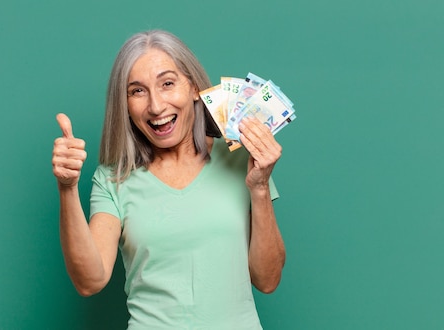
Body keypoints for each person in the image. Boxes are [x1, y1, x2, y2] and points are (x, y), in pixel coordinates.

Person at [52, 29, 285, 329]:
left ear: (193, 87)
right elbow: (90, 281)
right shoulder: (113, 179)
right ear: (124, 104)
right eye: (137, 91)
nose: (156, 106)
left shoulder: (242, 160)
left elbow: (267, 280)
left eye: (167, 84)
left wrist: (261, 188)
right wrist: (67, 188)